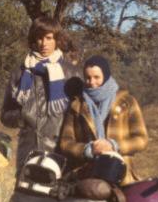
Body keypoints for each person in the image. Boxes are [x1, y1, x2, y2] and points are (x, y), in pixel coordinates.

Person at [1, 16, 82, 170]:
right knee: (26, 194)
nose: (44, 43)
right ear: (33, 40)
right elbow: (5, 114)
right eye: (39, 38)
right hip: (28, 153)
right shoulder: (20, 72)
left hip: (62, 153)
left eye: (49, 38)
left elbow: (83, 116)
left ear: (56, 40)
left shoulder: (72, 73)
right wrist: (21, 116)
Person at [60, 55, 148, 185]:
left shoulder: (127, 102)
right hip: (87, 175)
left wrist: (114, 146)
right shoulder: (76, 105)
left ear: (105, 76)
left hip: (121, 174)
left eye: (97, 77)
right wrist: (88, 149)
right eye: (88, 78)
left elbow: (141, 139)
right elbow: (65, 143)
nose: (92, 82)